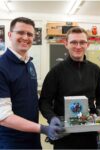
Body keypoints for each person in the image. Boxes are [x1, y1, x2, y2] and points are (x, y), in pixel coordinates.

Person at [0, 17, 64, 149]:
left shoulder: (29, 64)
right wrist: (44, 129)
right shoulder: (2, 66)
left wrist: (51, 117)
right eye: (20, 32)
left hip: (32, 139)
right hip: (11, 142)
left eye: (30, 34)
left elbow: (29, 98)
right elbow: (3, 116)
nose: (25, 37)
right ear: (10, 35)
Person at [39, 26, 100, 149]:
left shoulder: (95, 70)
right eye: (73, 42)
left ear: (88, 44)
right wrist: (52, 117)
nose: (78, 46)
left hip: (89, 133)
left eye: (82, 42)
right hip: (64, 133)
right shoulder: (56, 72)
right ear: (66, 44)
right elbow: (44, 101)